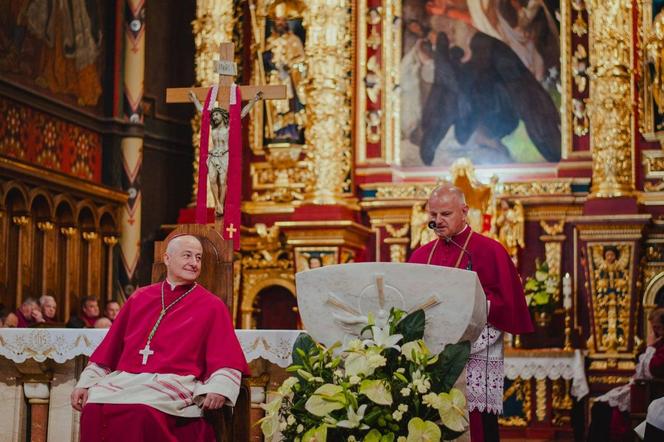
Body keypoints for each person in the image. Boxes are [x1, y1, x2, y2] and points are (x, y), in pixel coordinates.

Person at [70, 235, 249, 442]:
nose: (194, 263)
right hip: (128, 378)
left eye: (198, 258)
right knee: (93, 408)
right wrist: (85, 383)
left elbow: (226, 356)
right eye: (187, 256)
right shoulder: (139, 298)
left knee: (140, 412)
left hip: (176, 381)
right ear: (167, 259)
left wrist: (219, 388)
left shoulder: (212, 305)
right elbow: (110, 349)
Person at [408, 184, 533, 442]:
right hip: (430, 354)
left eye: (445, 214)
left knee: (476, 424)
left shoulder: (489, 250)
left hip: (475, 352)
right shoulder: (421, 255)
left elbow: (506, 301)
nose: (437, 221)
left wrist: (474, 305)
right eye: (433, 215)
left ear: (464, 211)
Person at [587, 307, 664, 442]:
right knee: (599, 406)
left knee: (603, 410)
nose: (655, 333)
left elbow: (651, 371)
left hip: (652, 393)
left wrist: (650, 346)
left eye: (657, 328)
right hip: (645, 390)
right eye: (653, 329)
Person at [189, 90, 264, 216]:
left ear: (222, 116)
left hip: (224, 155)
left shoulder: (229, 127)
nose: (214, 117)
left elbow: (242, 113)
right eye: (213, 115)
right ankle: (217, 203)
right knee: (212, 179)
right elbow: (203, 112)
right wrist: (195, 100)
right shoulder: (213, 127)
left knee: (223, 181)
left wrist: (254, 100)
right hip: (213, 156)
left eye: (216, 115)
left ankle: (221, 204)